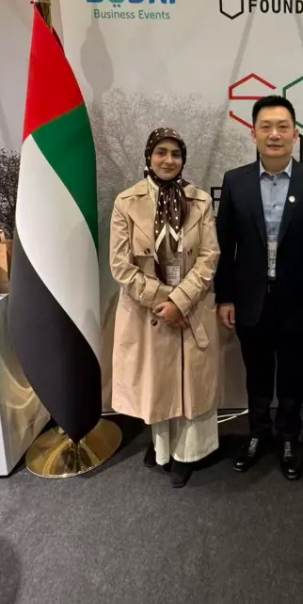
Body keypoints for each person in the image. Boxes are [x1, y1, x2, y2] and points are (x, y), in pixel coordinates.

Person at [215, 95, 303, 481]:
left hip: (298, 299)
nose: (274, 134)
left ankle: (288, 437)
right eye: (266, 127)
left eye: (282, 127)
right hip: (249, 299)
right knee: (255, 372)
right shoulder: (235, 182)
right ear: (253, 133)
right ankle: (257, 434)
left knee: (291, 372)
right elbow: (224, 246)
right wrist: (224, 296)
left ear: (295, 134)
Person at [109, 128, 221, 488]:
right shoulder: (126, 202)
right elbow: (120, 266)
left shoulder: (199, 201)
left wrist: (180, 301)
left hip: (190, 307)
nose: (168, 160)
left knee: (191, 385)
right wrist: (163, 300)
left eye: (175, 153)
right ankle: (161, 447)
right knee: (157, 384)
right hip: (148, 312)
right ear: (149, 156)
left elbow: (209, 257)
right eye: (161, 152)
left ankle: (188, 453)